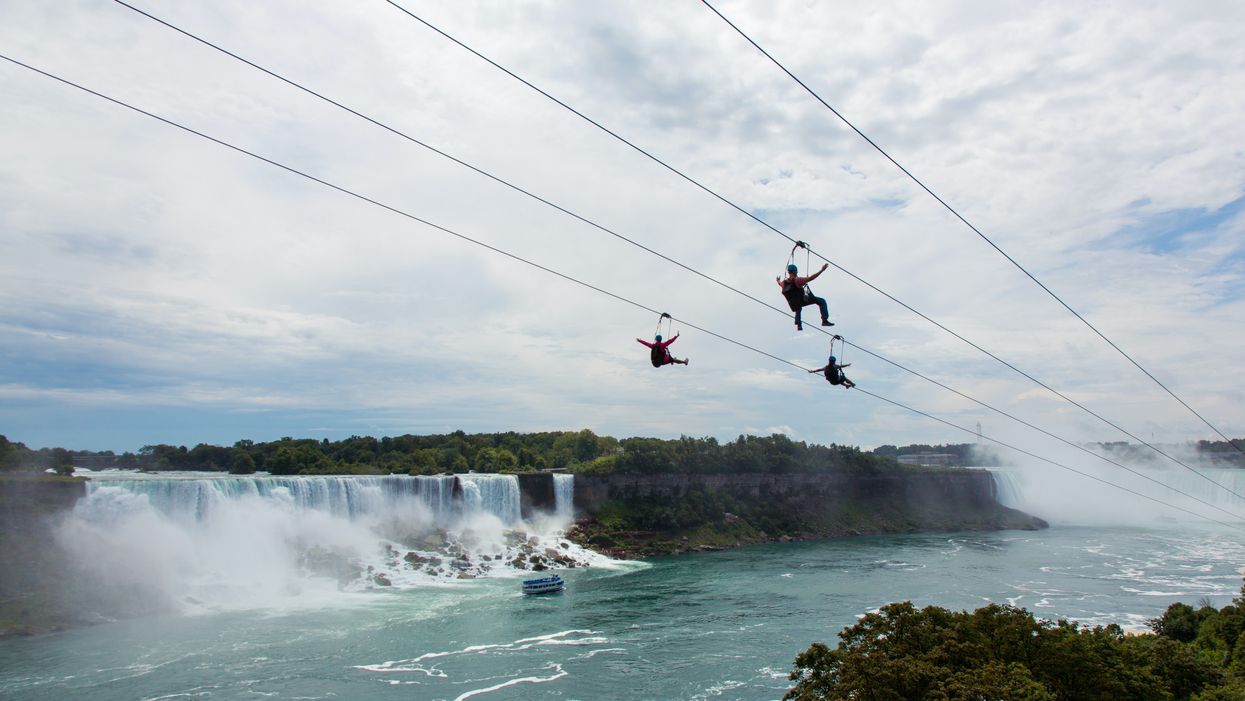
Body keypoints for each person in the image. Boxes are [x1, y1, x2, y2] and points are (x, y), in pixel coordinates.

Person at [777, 263, 832, 330]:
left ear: (788, 272)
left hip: (794, 303)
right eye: (796, 271)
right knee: (822, 301)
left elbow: (780, 284)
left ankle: (798, 324)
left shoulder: (784, 283)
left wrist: (778, 280)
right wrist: (822, 270)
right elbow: (811, 278)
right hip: (803, 300)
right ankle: (824, 320)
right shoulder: (797, 280)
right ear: (794, 271)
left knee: (798, 306)